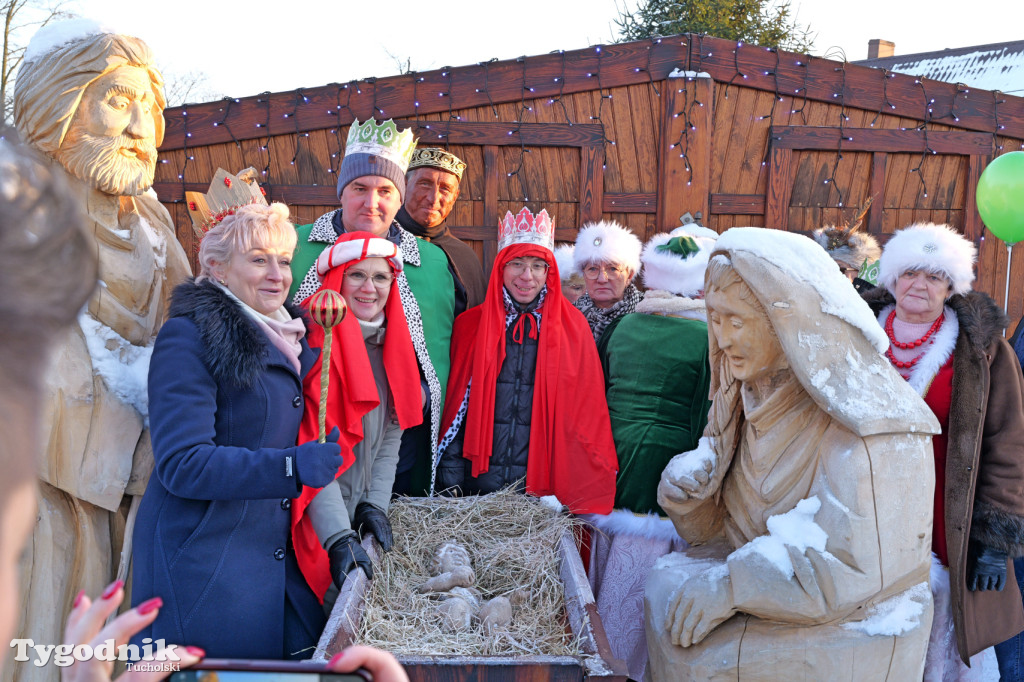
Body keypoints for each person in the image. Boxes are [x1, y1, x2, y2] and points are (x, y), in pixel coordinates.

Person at [645, 228, 939, 680]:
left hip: (848, 626)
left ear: (789, 323)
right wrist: (690, 499)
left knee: (712, 653)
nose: (722, 339)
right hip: (776, 599)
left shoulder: (871, 428)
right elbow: (726, 531)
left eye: (737, 322)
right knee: (666, 591)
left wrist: (733, 586)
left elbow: (855, 565)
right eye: (715, 319)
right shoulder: (748, 397)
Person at [10, 20, 193, 680]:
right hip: (39, 488)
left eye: (148, 106)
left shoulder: (153, 223)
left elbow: (187, 327)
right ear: (57, 107)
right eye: (117, 101)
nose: (139, 126)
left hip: (135, 491)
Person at [130, 202, 344, 659]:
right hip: (204, 566)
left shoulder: (286, 337)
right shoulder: (189, 336)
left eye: (283, 260)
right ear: (217, 267)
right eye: (259, 259)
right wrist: (291, 466)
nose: (277, 275)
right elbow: (182, 464)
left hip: (266, 562)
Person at [863, 222, 1024, 679]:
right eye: (910, 272)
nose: (920, 284)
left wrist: (996, 538)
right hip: (864, 509)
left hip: (946, 518)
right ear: (892, 278)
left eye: (934, 276)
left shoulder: (982, 351)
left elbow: (1008, 444)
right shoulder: (855, 336)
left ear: (951, 287)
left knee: (936, 648)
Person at [289, 119, 454, 497]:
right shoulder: (295, 247)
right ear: (342, 192)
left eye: (385, 191)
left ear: (399, 198)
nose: (372, 203)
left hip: (393, 447)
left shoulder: (431, 263)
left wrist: (422, 393)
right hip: (307, 435)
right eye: (359, 188)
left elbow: (440, 351)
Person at [586, 228, 715, 680]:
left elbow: (599, 393)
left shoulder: (623, 325)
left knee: (603, 569)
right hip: (664, 468)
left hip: (613, 461)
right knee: (639, 581)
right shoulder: (705, 338)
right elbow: (704, 419)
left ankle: (593, 655)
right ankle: (625, 666)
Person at [435, 207, 617, 514]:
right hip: (475, 491)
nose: (526, 276)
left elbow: (585, 419)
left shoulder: (573, 328)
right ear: (501, 268)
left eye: (537, 266)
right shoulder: (470, 326)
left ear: (548, 272)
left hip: (541, 494)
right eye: (516, 264)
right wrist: (450, 484)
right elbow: (455, 414)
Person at [292, 232, 423, 613]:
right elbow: (311, 449)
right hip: (315, 526)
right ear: (337, 278)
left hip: (352, 523)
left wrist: (373, 506)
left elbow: (391, 437)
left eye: (381, 277)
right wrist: (337, 536)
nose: (370, 288)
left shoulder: (393, 347)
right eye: (357, 275)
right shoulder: (314, 344)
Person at [396, 147, 487, 313]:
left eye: (445, 188)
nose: (433, 198)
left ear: (455, 197)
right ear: (404, 185)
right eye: (425, 184)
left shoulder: (465, 258)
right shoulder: (380, 242)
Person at [573, 220, 644, 343]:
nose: (602, 279)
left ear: (629, 276)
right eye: (593, 269)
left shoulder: (647, 315)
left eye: (613, 269)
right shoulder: (569, 316)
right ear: (583, 275)